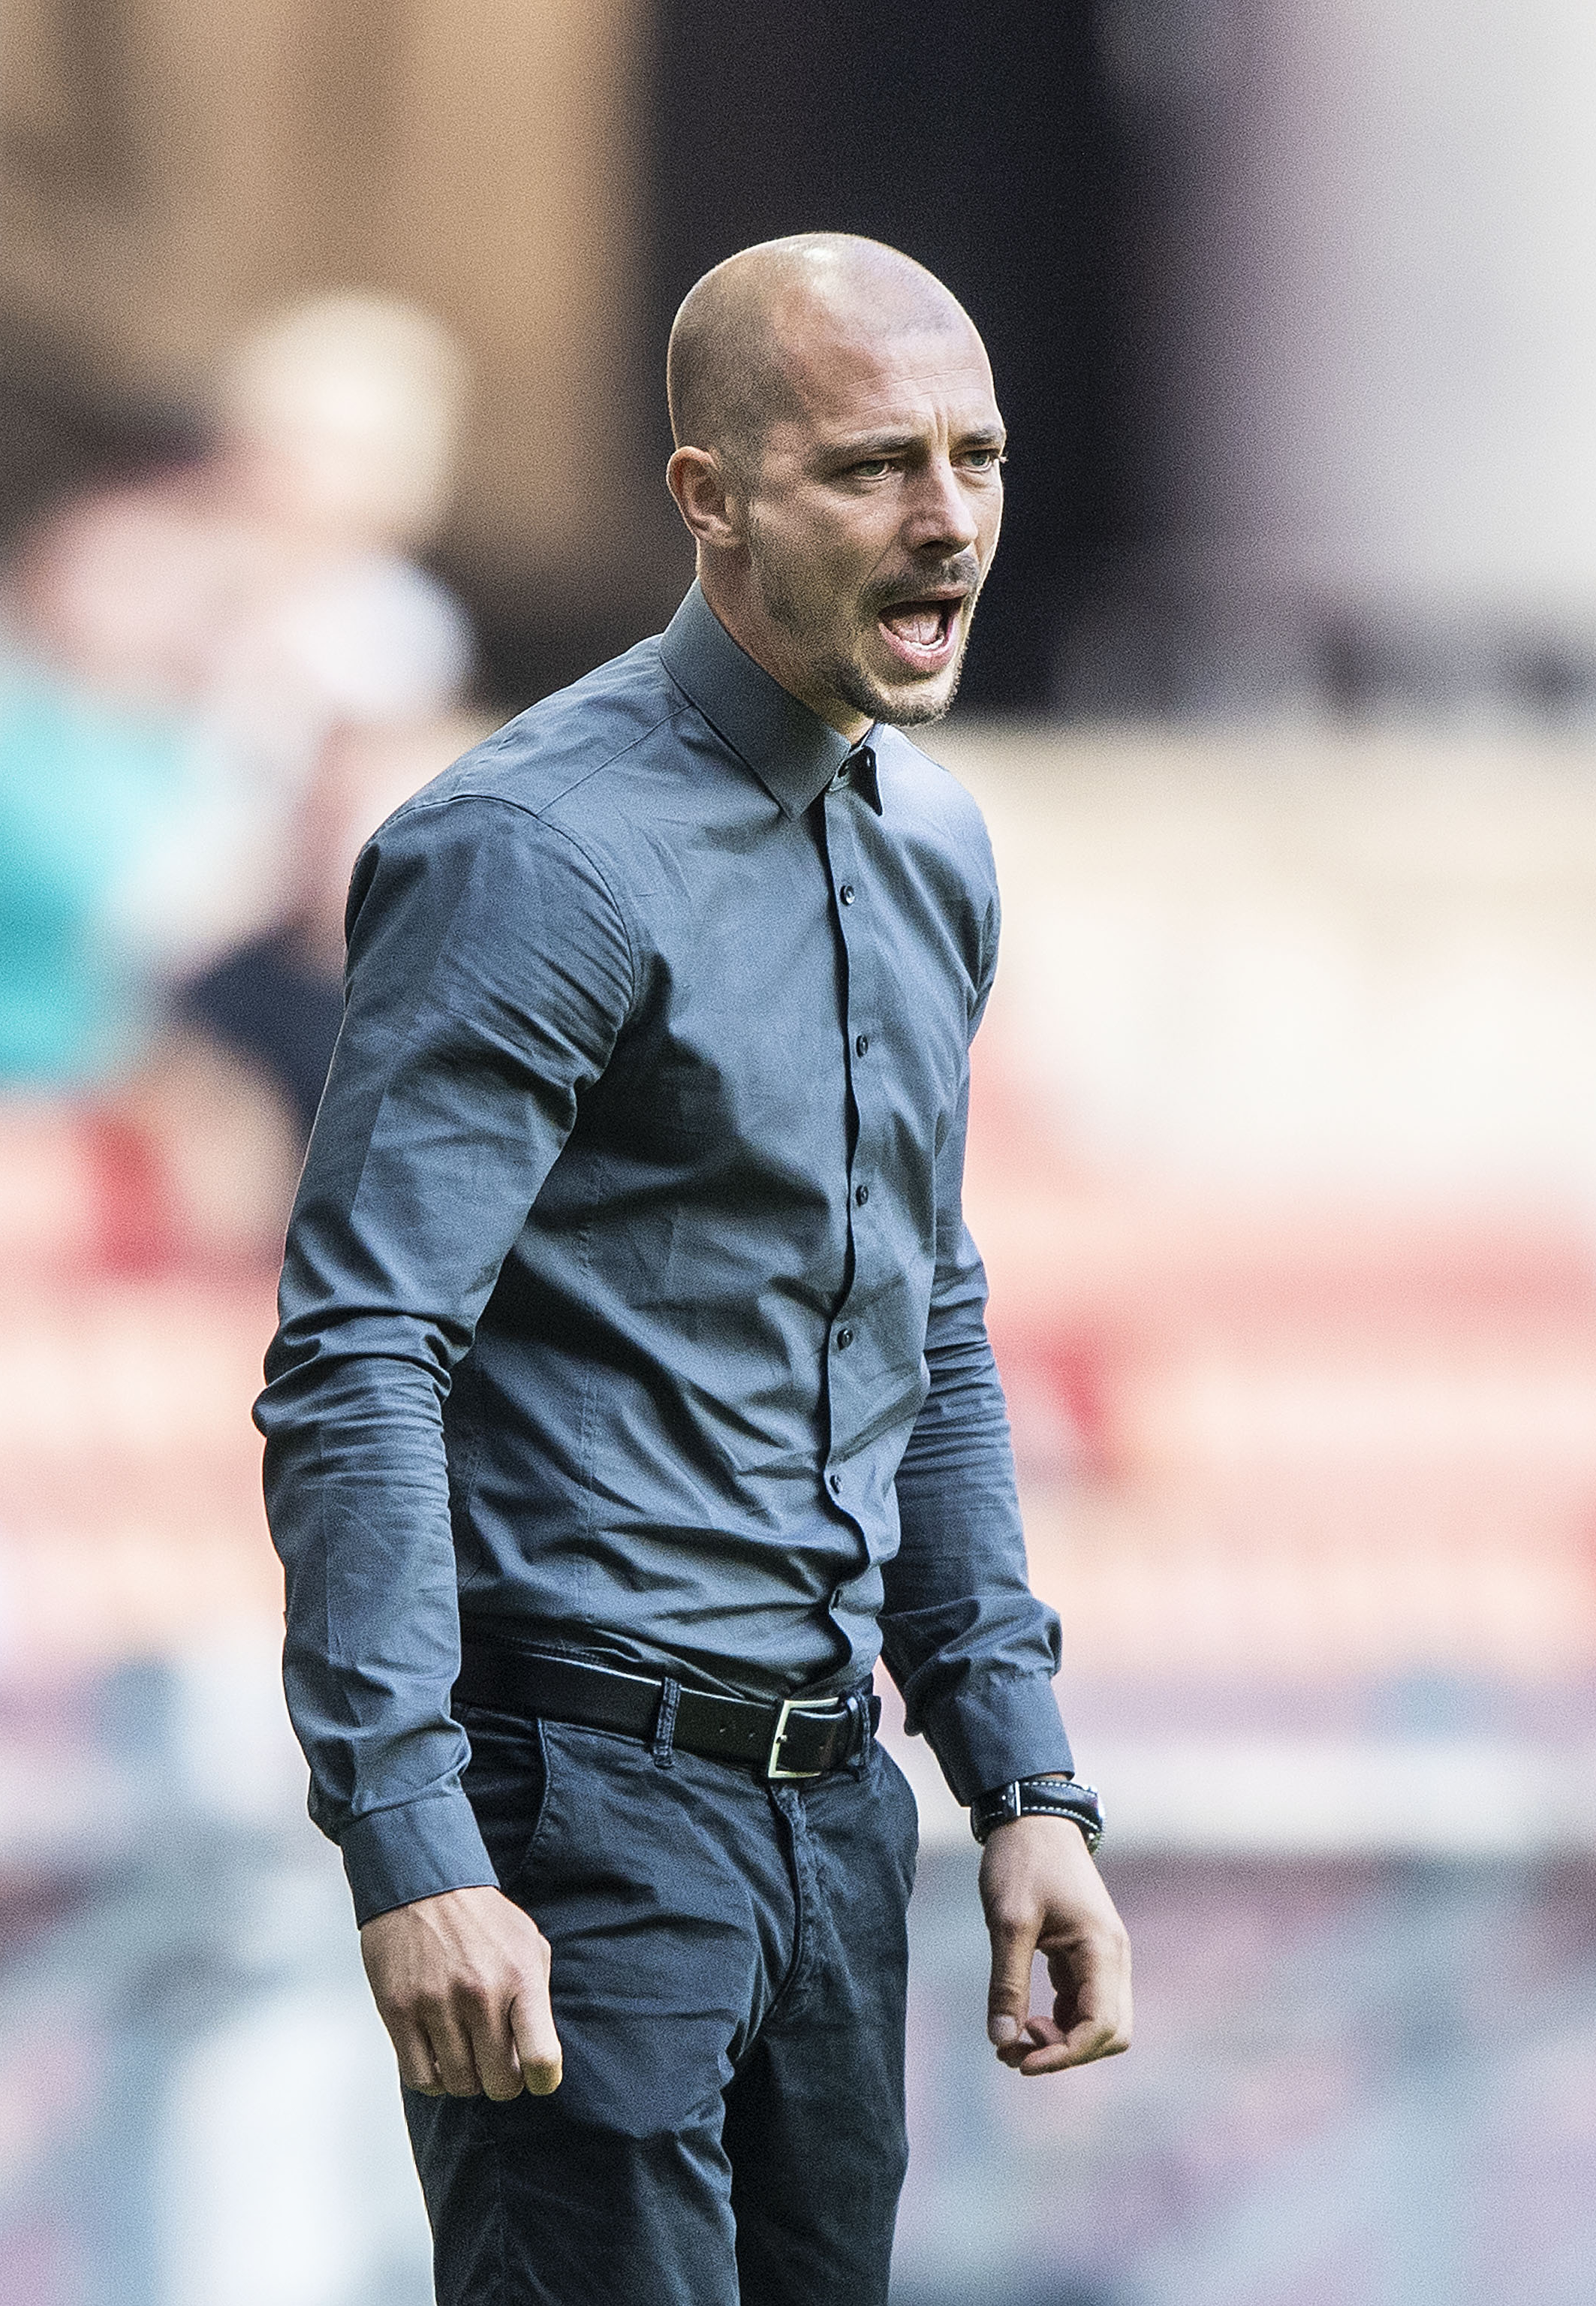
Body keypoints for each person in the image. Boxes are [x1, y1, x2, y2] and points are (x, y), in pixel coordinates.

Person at [257, 234, 1132, 2302]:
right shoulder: (530, 855)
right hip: (582, 1805)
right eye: (870, 469)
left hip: (839, 1818)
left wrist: (1020, 1783)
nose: (947, 522)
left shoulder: (935, 849)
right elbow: (357, 1358)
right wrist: (411, 1845)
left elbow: (929, 1311)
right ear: (708, 496)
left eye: (976, 459)